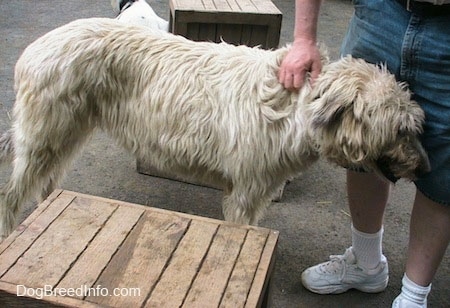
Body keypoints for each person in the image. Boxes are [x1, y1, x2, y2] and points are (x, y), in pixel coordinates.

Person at [278, 0, 450, 307]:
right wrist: (304, 38)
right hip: (382, 10)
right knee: (357, 140)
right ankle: (367, 264)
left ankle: (413, 297)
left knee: (443, 169)